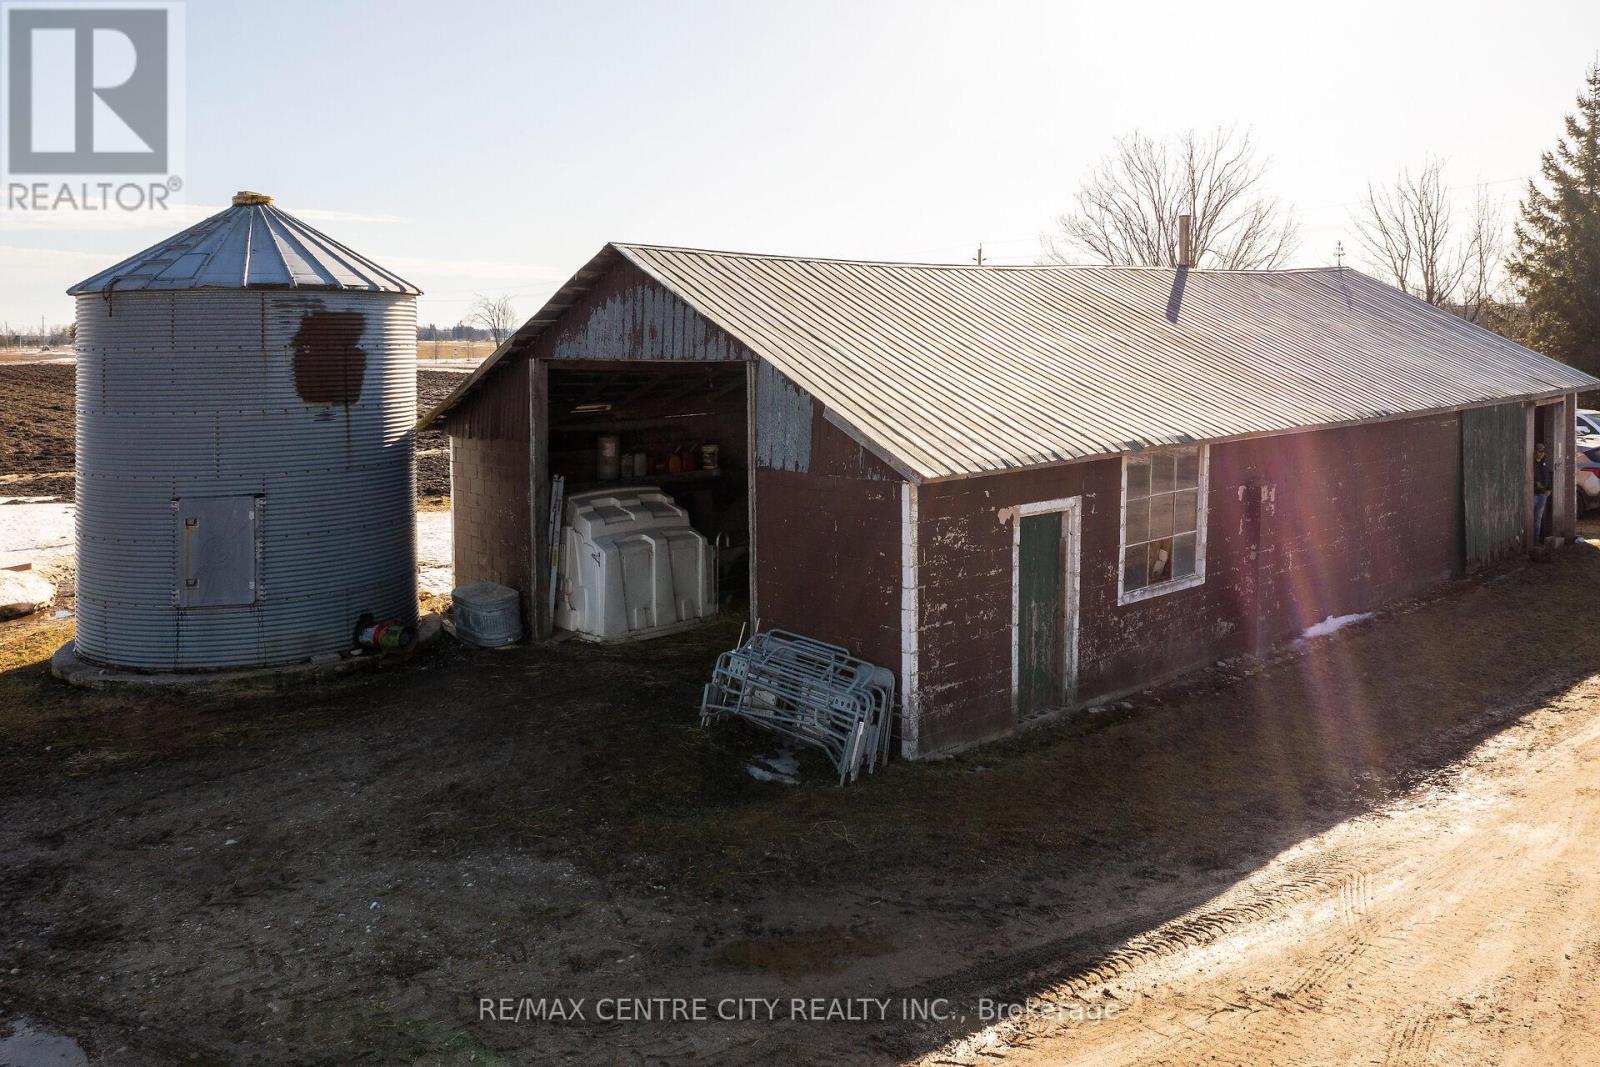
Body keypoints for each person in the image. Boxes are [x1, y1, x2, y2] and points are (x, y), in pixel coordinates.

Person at [1533, 441, 1552, 542]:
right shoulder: (1532, 464)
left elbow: (1548, 477)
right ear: (1535, 452)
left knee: (1538, 518)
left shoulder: (1544, 464)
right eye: (1538, 451)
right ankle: (1530, 540)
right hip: (1534, 494)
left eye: (1542, 452)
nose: (1540, 453)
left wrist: (1549, 489)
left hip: (1543, 495)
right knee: (1531, 518)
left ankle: (1536, 540)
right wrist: (1536, 484)